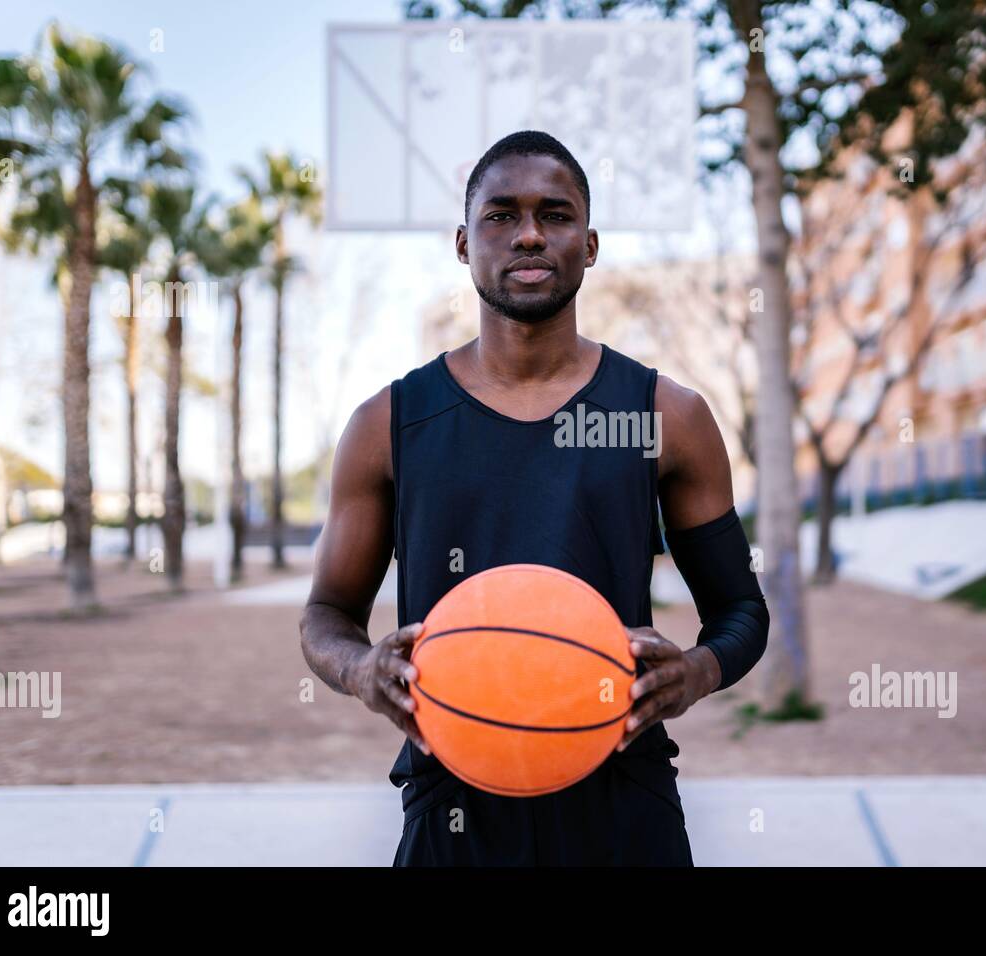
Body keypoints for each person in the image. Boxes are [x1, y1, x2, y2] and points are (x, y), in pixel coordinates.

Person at [300, 130, 769, 866]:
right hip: (451, 804)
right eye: (500, 215)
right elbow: (325, 616)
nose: (527, 234)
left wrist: (696, 673)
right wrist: (361, 671)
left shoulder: (666, 414)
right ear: (463, 242)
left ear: (589, 244)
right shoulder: (386, 425)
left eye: (555, 215)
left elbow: (742, 612)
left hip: (621, 799)